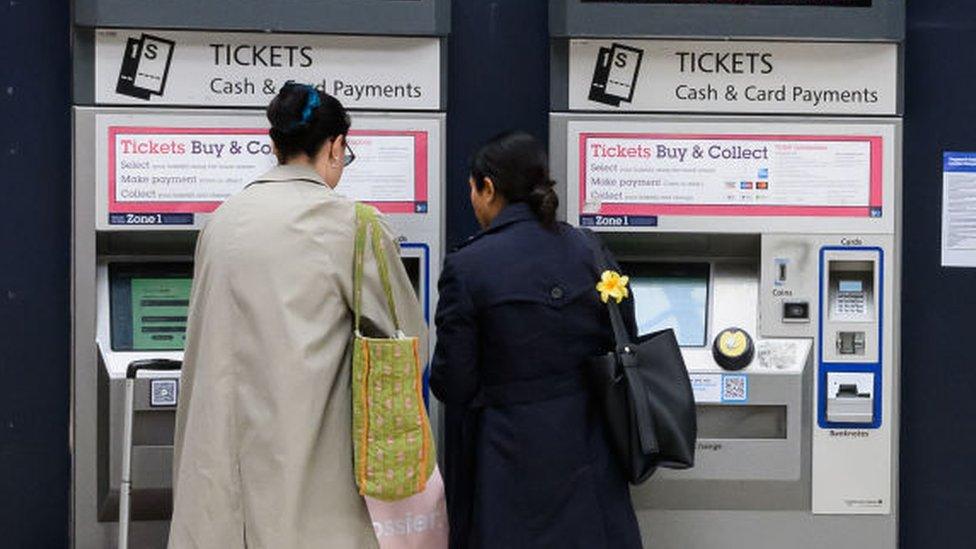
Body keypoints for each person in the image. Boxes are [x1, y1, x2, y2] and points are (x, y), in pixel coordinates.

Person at [168, 83, 426, 548]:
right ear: (335, 146)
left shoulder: (221, 220)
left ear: (274, 145)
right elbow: (408, 345)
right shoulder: (353, 224)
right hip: (310, 482)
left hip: (219, 481)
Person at [430, 131, 643, 548]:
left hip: (506, 459)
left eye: (473, 190)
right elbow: (625, 334)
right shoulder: (588, 248)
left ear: (488, 187)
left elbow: (453, 382)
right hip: (590, 449)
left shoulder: (468, 265)